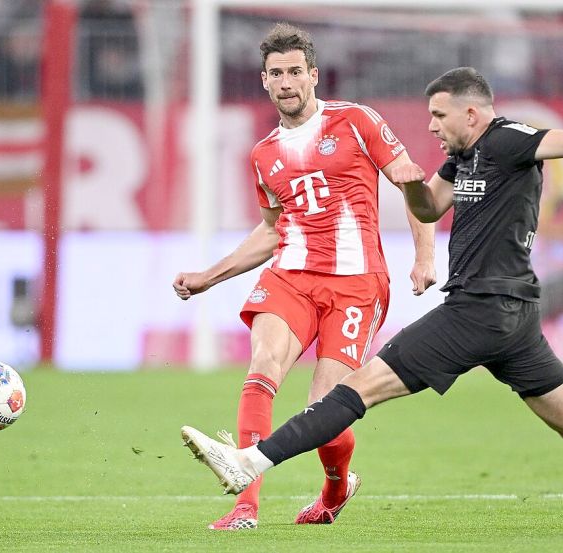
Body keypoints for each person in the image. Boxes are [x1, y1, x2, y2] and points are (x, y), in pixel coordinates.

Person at [179, 67, 563, 537]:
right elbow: (428, 208)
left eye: (439, 117)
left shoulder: (509, 139)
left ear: (472, 114)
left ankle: (249, 462)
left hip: (479, 309)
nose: (431, 126)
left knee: (354, 390)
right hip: (511, 315)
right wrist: (404, 179)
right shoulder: (462, 160)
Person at [172, 23, 436, 530]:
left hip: (357, 285)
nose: (287, 81)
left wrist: (424, 257)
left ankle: (336, 488)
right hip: (291, 275)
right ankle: (244, 506)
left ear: (313, 76)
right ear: (265, 82)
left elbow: (412, 185)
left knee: (326, 409)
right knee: (263, 366)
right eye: (277, 73)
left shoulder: (356, 121)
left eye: (296, 71)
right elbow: (274, 232)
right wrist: (210, 276)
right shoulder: (264, 155)